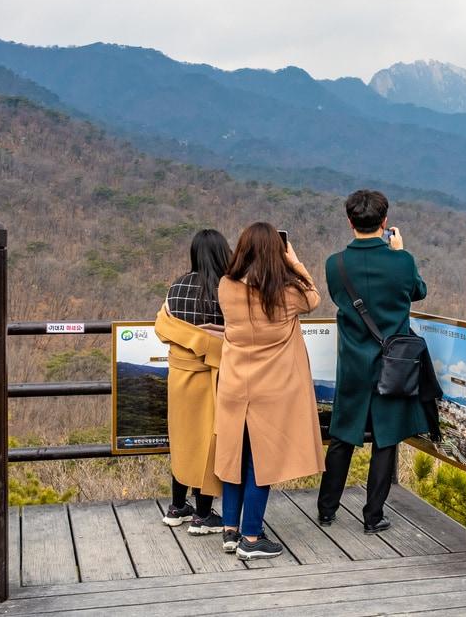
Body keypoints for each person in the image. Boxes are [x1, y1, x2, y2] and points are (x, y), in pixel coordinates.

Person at [317, 189, 428, 533]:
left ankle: (326, 509)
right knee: (386, 437)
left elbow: (339, 297)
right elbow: (418, 291)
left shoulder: (335, 265)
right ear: (385, 223)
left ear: (349, 221)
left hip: (352, 364)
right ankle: (373, 515)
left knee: (342, 435)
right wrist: (400, 251)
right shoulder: (403, 262)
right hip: (392, 364)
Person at [214, 222, 325, 559]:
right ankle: (251, 538)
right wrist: (294, 263)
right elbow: (314, 298)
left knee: (235, 457)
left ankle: (230, 530)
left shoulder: (226, 286)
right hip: (271, 391)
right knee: (261, 462)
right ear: (276, 253)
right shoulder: (285, 294)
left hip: (234, 386)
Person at [155, 229, 232, 534]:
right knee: (208, 442)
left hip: (178, 375)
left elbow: (163, 326)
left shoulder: (175, 288)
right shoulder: (225, 290)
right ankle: (202, 514)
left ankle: (176, 507)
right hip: (212, 375)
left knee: (182, 438)